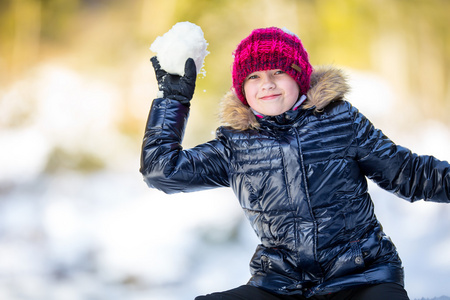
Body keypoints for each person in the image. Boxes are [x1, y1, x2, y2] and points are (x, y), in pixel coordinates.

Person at [140, 27, 450, 299]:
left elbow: (409, 174)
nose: (267, 84)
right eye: (254, 76)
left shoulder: (339, 121)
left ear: (299, 77)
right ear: (242, 89)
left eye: (279, 72)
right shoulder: (234, 145)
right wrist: (173, 100)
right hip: (281, 285)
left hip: (362, 277)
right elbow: (162, 171)